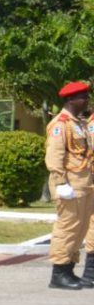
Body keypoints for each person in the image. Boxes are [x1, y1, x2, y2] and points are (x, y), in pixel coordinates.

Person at [45, 80, 92, 289]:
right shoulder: (60, 124)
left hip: (84, 184)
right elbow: (55, 156)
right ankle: (59, 272)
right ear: (72, 99)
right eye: (83, 97)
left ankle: (69, 270)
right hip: (70, 184)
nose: (87, 100)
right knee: (67, 227)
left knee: (79, 229)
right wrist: (61, 182)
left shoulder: (78, 123)